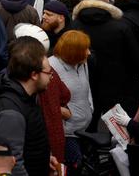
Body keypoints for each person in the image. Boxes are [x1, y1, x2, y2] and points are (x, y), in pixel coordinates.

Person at [0, 36, 55, 176]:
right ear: (34, 75)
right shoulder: (11, 111)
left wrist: (45, 159)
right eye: (48, 73)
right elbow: (12, 163)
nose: (51, 77)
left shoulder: (28, 96)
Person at [48, 29, 92, 171]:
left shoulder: (82, 63)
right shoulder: (51, 67)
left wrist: (90, 107)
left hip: (83, 129)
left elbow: (87, 89)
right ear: (73, 51)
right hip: (67, 133)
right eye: (85, 49)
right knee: (73, 167)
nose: (89, 53)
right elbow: (44, 99)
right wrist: (62, 112)